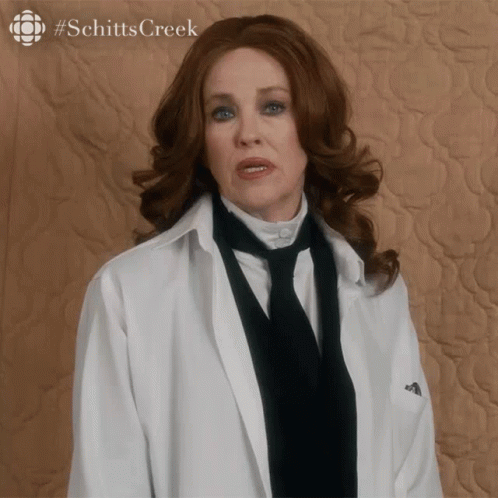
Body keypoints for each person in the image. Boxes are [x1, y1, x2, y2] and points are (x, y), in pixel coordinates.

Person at [68, 14, 443, 498]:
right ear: (200, 140)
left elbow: (414, 478)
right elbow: (107, 482)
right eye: (222, 113)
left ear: (312, 124)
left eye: (273, 107)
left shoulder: (377, 290)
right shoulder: (128, 293)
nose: (248, 133)